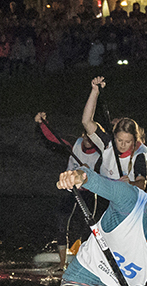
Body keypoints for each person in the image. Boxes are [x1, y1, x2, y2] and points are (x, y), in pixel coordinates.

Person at [35, 111, 105, 269]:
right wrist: (42, 123)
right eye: (85, 136)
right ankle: (62, 264)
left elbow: (107, 175)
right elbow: (53, 137)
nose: (87, 140)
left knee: (88, 226)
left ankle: (86, 261)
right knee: (61, 222)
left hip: (88, 193)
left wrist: (92, 172)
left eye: (91, 137)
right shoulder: (75, 145)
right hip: (71, 191)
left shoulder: (101, 154)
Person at [82, 76, 147, 189]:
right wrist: (95, 92)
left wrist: (130, 184)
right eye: (119, 140)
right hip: (104, 198)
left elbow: (142, 183)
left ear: (134, 140)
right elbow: (86, 121)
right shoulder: (107, 143)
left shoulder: (139, 154)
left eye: (127, 141)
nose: (123, 145)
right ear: (114, 136)